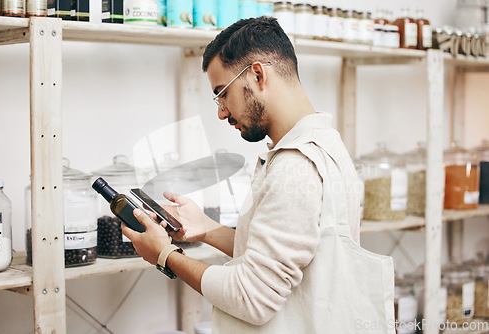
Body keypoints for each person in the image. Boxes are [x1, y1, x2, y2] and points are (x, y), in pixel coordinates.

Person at [122, 16, 395, 334]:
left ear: (257, 74)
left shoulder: (296, 165)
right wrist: (207, 229)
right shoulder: (323, 143)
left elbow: (251, 296)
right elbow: (285, 252)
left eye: (222, 93)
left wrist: (165, 254)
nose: (221, 112)